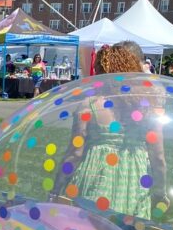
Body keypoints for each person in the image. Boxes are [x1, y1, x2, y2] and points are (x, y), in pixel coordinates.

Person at [53, 42, 167, 218]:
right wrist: (160, 191)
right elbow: (158, 156)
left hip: (95, 179)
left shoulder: (90, 104)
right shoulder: (149, 106)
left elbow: (74, 154)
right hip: (133, 183)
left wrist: (57, 188)